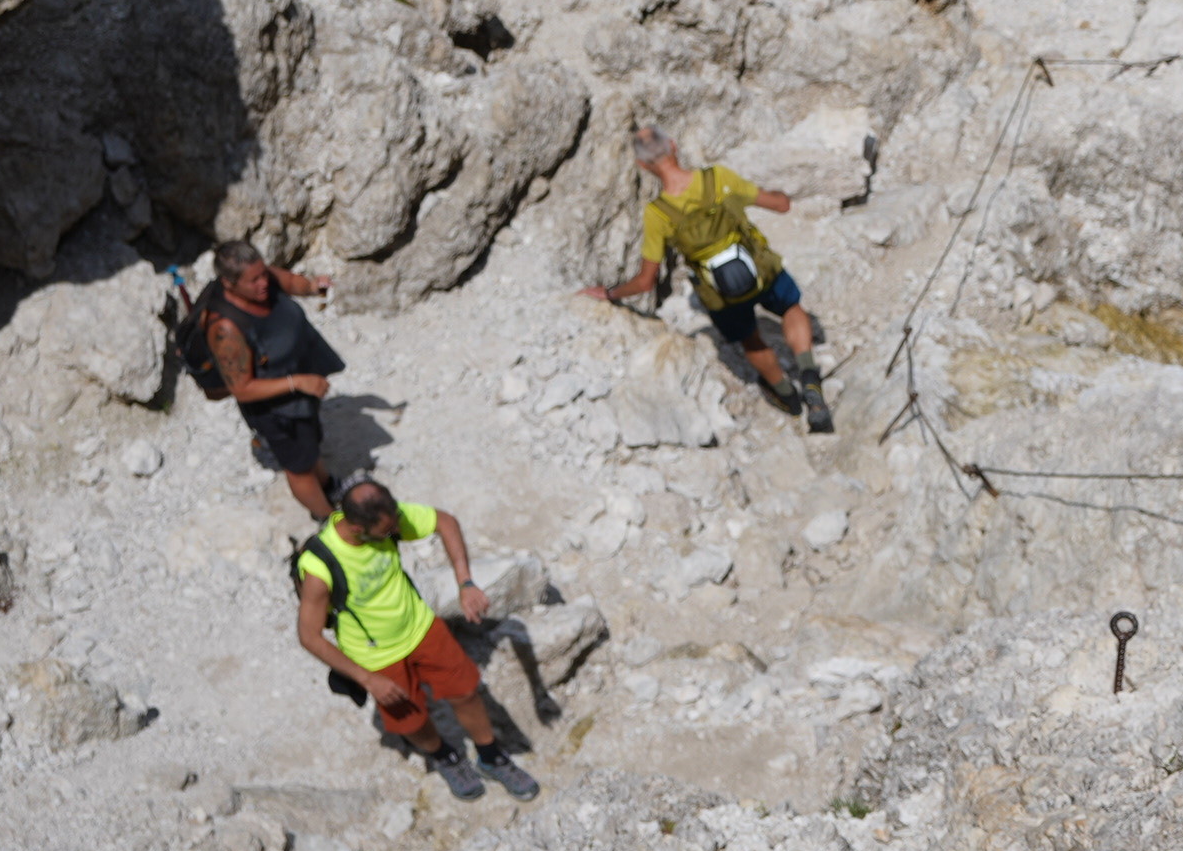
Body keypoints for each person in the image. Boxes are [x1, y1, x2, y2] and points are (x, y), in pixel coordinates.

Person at [294, 474, 536, 804]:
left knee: (465, 691)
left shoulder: (386, 517)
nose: (396, 531)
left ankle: (491, 757)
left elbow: (444, 522)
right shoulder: (320, 568)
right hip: (376, 658)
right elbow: (309, 637)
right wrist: (368, 679)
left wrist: (465, 583)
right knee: (411, 720)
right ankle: (444, 756)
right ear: (357, 528)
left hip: (421, 628)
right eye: (386, 531)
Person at [581, 126, 833, 431]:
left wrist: (609, 294)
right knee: (791, 308)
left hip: (721, 293)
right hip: (760, 268)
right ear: (673, 146)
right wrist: (780, 196)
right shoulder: (718, 179)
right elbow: (780, 205)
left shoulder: (658, 214)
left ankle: (787, 396)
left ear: (643, 166)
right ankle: (808, 375)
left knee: (750, 339)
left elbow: (646, 281)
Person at [199, 241, 346, 519]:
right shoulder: (226, 329)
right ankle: (328, 518)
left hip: (298, 383)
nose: (263, 282)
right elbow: (241, 388)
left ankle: (328, 484)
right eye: (253, 280)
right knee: (298, 466)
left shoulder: (262, 278)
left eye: (263, 273)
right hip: (276, 409)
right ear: (229, 284)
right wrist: (297, 383)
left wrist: (312, 287)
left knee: (310, 441)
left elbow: (289, 280)